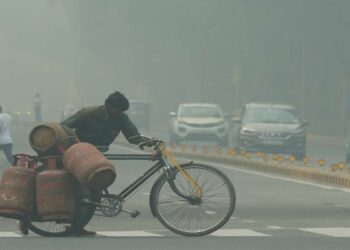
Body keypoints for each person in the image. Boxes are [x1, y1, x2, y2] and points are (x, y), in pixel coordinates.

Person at [59, 91, 158, 236]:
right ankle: (74, 224)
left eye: (121, 111)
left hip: (97, 157)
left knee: (96, 192)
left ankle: (77, 227)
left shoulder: (121, 118)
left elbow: (133, 136)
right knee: (86, 192)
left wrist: (150, 142)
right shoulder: (88, 113)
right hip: (78, 155)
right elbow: (63, 128)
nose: (119, 113)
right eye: (117, 110)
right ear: (108, 105)